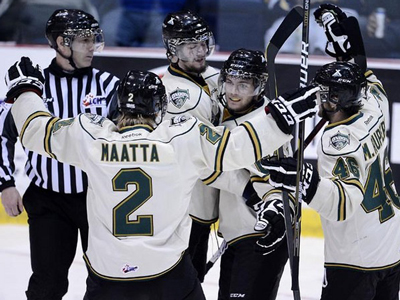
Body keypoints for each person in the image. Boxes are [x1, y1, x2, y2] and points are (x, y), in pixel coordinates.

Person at [4, 57, 318, 299]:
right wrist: (279, 119)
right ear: (159, 109)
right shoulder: (182, 139)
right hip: (168, 277)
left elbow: (34, 131)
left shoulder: (90, 138)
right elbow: (238, 148)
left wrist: (25, 91)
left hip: (107, 278)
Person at [262, 6, 400, 298]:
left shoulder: (337, 140)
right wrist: (344, 51)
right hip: (391, 246)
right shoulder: (377, 104)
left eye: (323, 93)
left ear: (334, 99)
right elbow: (363, 73)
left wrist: (304, 180)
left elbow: (342, 205)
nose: (317, 97)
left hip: (355, 261)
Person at [0, 9, 119, 299]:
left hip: (98, 201)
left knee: (105, 284)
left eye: (94, 39)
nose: (92, 47)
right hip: (49, 201)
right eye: (84, 41)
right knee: (47, 284)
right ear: (62, 43)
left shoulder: (109, 85)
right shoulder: (32, 85)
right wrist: (5, 184)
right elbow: (4, 132)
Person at [216, 48, 291, 300]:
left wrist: (269, 205)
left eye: (243, 85)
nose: (233, 92)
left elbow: (272, 186)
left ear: (258, 87)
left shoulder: (263, 127)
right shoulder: (253, 114)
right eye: (229, 81)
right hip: (240, 234)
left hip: (260, 236)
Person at [161, 9, 222, 282]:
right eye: (190, 46)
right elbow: (205, 154)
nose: (200, 52)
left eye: (202, 43)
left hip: (202, 204)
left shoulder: (212, 79)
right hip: (185, 210)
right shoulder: (178, 95)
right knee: (182, 285)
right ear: (173, 51)